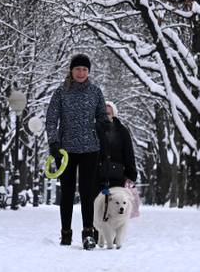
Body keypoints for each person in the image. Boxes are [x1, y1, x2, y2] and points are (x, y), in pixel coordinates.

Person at [45, 53, 110, 250]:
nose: (81, 73)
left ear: (88, 72)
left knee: (87, 192)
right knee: (66, 192)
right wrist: (54, 143)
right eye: (77, 69)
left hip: (91, 149)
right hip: (65, 151)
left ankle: (88, 234)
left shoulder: (96, 92)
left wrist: (103, 124)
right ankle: (65, 234)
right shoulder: (60, 92)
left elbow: (102, 115)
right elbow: (51, 120)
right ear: (71, 71)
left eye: (84, 69)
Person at [98, 100, 138, 189]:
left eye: (108, 113)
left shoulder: (122, 131)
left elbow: (129, 154)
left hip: (117, 177)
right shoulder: (94, 130)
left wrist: (130, 175)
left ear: (113, 115)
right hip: (96, 177)